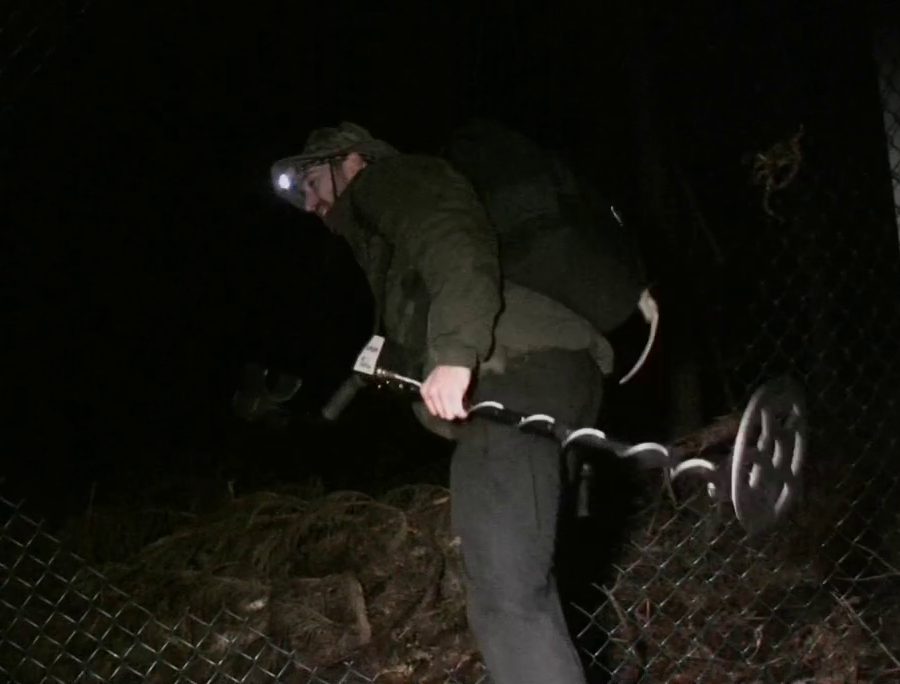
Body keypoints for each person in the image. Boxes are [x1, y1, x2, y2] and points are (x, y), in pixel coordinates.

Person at [270, 121, 643, 684]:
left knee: (505, 597)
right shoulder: (382, 248)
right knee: (525, 588)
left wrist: (453, 354)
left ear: (352, 162)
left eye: (313, 182)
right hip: (550, 375)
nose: (310, 203)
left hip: (510, 378)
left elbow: (452, 235)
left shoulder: (386, 181)